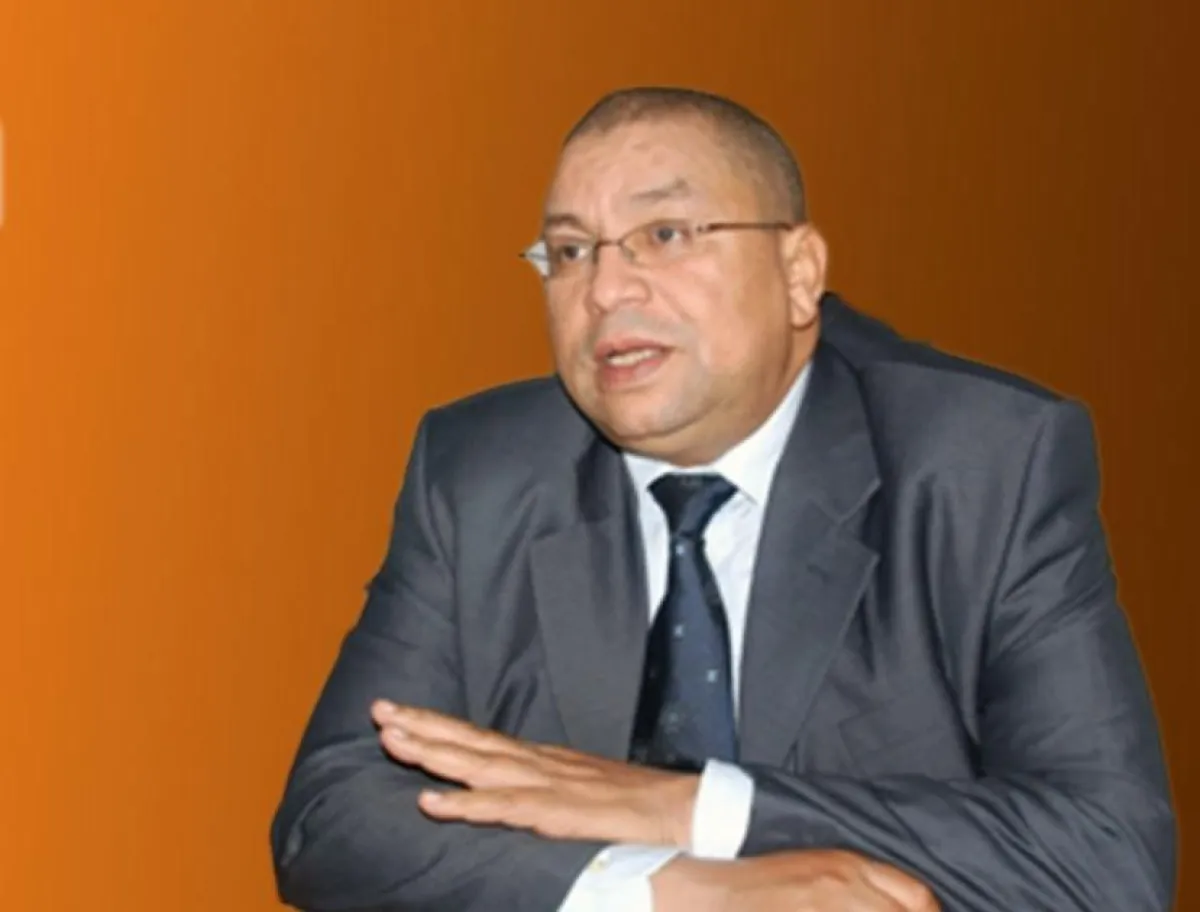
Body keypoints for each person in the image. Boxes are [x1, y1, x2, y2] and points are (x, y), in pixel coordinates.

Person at [269, 87, 1176, 911]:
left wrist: (701, 810)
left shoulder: (982, 464)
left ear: (799, 273)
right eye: (571, 251)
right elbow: (331, 815)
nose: (605, 290)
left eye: (665, 234)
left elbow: (1107, 860)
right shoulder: (480, 473)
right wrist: (661, 888)